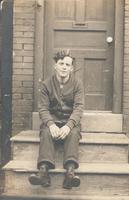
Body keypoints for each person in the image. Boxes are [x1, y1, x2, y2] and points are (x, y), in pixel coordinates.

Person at [28, 50, 84, 189]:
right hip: (52, 121)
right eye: (61, 63)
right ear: (55, 65)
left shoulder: (77, 84)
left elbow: (79, 108)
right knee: (46, 132)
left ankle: (70, 173)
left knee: (73, 134)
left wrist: (69, 125)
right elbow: (43, 109)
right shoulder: (46, 84)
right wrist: (51, 124)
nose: (64, 67)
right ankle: (43, 172)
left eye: (67, 64)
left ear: (71, 68)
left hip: (69, 122)